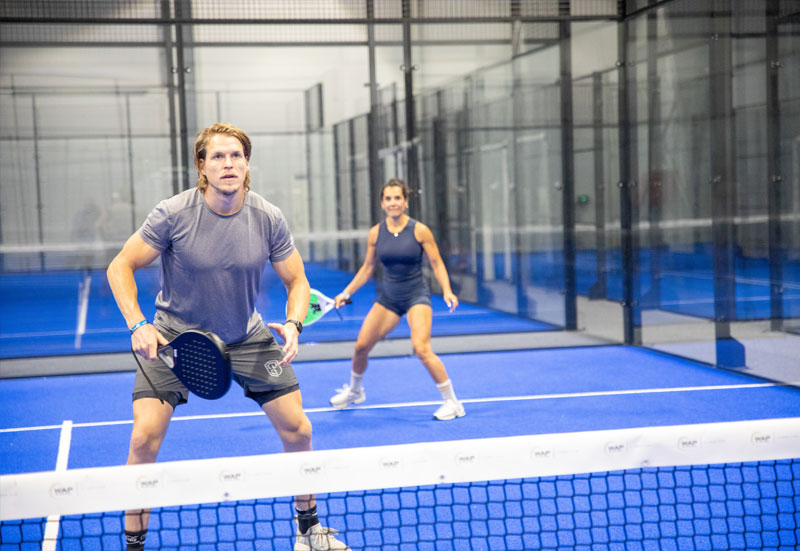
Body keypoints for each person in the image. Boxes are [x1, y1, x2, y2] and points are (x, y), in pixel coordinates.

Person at [106, 123, 349, 551]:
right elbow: (119, 266)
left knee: (299, 430)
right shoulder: (172, 214)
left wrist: (294, 323)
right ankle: (133, 545)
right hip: (173, 341)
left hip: (246, 336)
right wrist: (138, 324)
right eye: (217, 156)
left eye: (236, 155)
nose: (228, 163)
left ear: (247, 163)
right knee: (143, 438)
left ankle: (309, 530)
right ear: (202, 166)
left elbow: (298, 281)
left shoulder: (268, 216)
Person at [329, 179, 465, 421]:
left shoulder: (420, 230)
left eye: (397, 198)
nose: (393, 203)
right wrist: (346, 293)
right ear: (382, 203)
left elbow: (436, 263)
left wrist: (447, 290)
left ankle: (452, 403)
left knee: (421, 348)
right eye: (388, 199)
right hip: (389, 299)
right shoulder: (375, 232)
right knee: (361, 347)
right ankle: (355, 391)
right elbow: (367, 268)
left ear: (406, 202)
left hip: (416, 296)